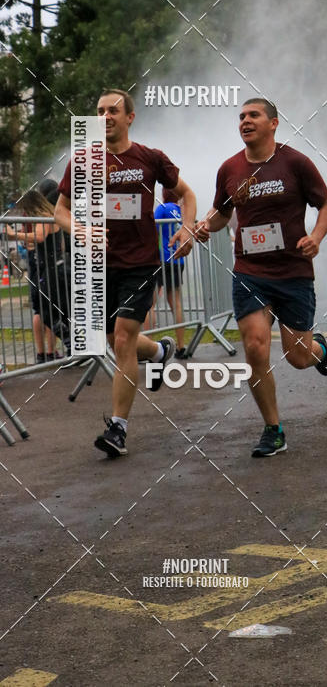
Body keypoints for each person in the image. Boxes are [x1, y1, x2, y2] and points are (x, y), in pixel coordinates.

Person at [55, 89, 196, 458]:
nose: (105, 116)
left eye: (113, 110)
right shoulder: (83, 160)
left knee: (121, 339)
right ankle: (160, 350)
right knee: (109, 338)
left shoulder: (149, 158)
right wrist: (80, 230)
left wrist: (188, 226)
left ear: (129, 117)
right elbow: (61, 211)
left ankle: (118, 428)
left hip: (140, 263)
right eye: (99, 111)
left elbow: (186, 194)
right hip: (100, 266)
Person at [194, 98, 327, 457]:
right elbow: (221, 214)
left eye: (253, 115)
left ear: (273, 123)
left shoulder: (296, 163)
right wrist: (203, 226)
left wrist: (315, 238)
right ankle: (273, 429)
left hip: (293, 272)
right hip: (250, 272)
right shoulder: (230, 169)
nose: (245, 121)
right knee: (255, 346)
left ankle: (319, 350)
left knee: (298, 357)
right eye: (241, 116)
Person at [9, 188, 70, 361]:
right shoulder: (51, 214)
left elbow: (40, 237)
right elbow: (54, 243)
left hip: (50, 271)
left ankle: (67, 344)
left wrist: (14, 235)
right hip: (55, 268)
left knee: (45, 311)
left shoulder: (43, 215)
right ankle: (65, 346)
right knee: (51, 310)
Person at [147, 187, 188, 359]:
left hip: (161, 259)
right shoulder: (181, 212)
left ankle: (148, 347)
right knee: (176, 303)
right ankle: (181, 346)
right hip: (178, 260)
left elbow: (152, 230)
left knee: (150, 303)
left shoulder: (162, 209)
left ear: (164, 193)